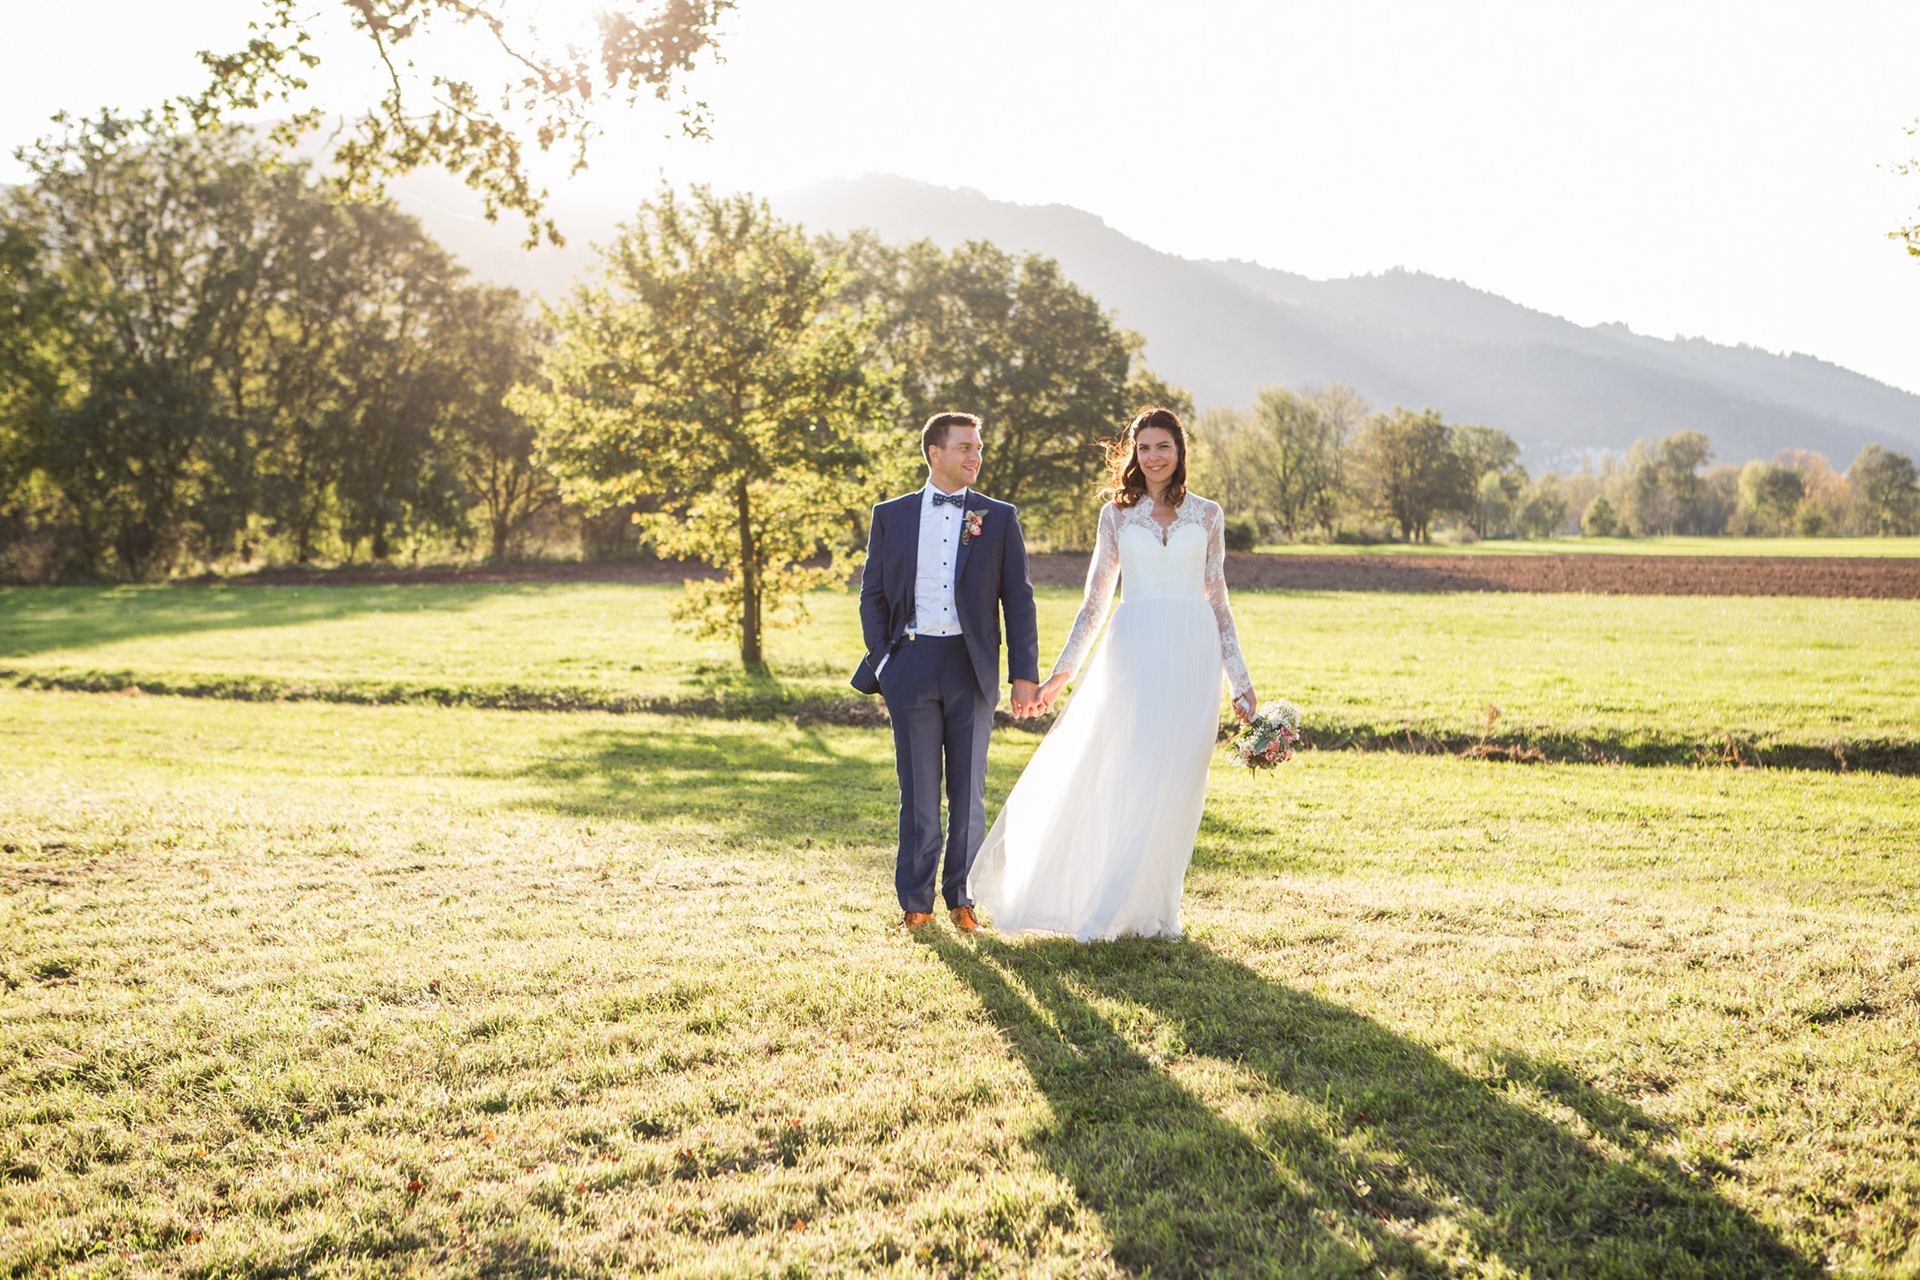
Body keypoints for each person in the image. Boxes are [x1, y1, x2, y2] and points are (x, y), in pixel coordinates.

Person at [969, 406, 1256, 941]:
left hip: (1194, 655)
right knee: (1136, 768)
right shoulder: (1117, 516)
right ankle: (1107, 904)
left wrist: (1239, 680)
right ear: (1133, 454)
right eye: (1144, 448)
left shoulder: (1208, 515)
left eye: (1163, 446)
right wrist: (1060, 676)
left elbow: (1218, 600)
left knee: (1180, 779)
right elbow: (1095, 603)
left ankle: (1157, 909)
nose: (1153, 457)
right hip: (1137, 650)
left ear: (1180, 450)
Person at [852, 412, 1042, 933]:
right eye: (964, 447)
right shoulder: (890, 515)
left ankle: (963, 899)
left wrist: (1024, 673)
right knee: (917, 793)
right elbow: (872, 593)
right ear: (935, 453)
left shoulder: (997, 517)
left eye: (978, 447)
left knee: (968, 793)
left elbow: (1018, 599)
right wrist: (885, 661)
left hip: (971, 667)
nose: (975, 456)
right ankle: (915, 904)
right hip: (909, 665)